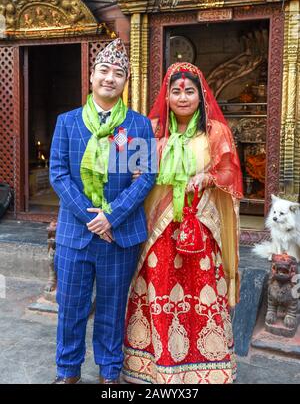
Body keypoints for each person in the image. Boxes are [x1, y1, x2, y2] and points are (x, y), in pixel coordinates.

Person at [123, 62, 243, 385]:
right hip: (158, 231)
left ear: (201, 95)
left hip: (199, 227)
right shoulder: (151, 128)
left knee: (199, 293)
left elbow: (230, 173)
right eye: (176, 90)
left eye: (190, 91)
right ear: (167, 94)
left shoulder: (216, 132)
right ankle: (149, 365)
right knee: (158, 291)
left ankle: (207, 366)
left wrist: (207, 176)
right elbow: (130, 172)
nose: (183, 97)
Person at [49, 38, 156, 384]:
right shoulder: (67, 122)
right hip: (75, 234)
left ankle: (110, 372)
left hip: (119, 235)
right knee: (71, 309)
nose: (110, 78)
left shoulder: (138, 126)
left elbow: (146, 177)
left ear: (126, 82)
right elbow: (58, 174)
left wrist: (111, 217)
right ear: (92, 77)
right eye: (104, 71)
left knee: (112, 308)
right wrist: (91, 218)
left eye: (119, 73)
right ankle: (68, 371)